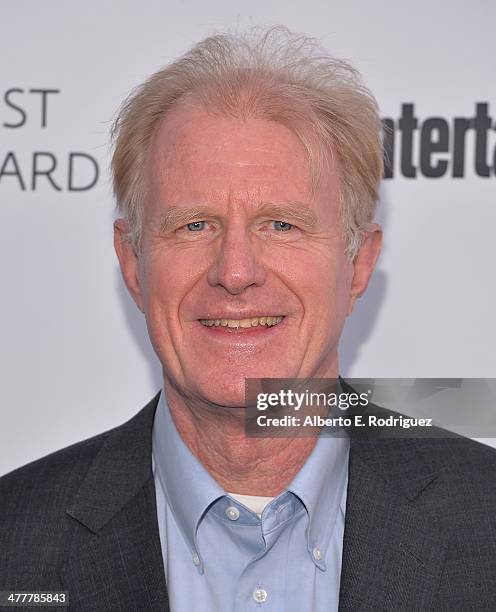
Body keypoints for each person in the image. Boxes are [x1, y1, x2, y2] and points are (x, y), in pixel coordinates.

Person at [1, 26, 495, 611]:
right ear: (133, 263)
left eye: (281, 225)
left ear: (358, 264)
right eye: (194, 225)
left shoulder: (485, 519)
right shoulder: (14, 541)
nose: (235, 272)